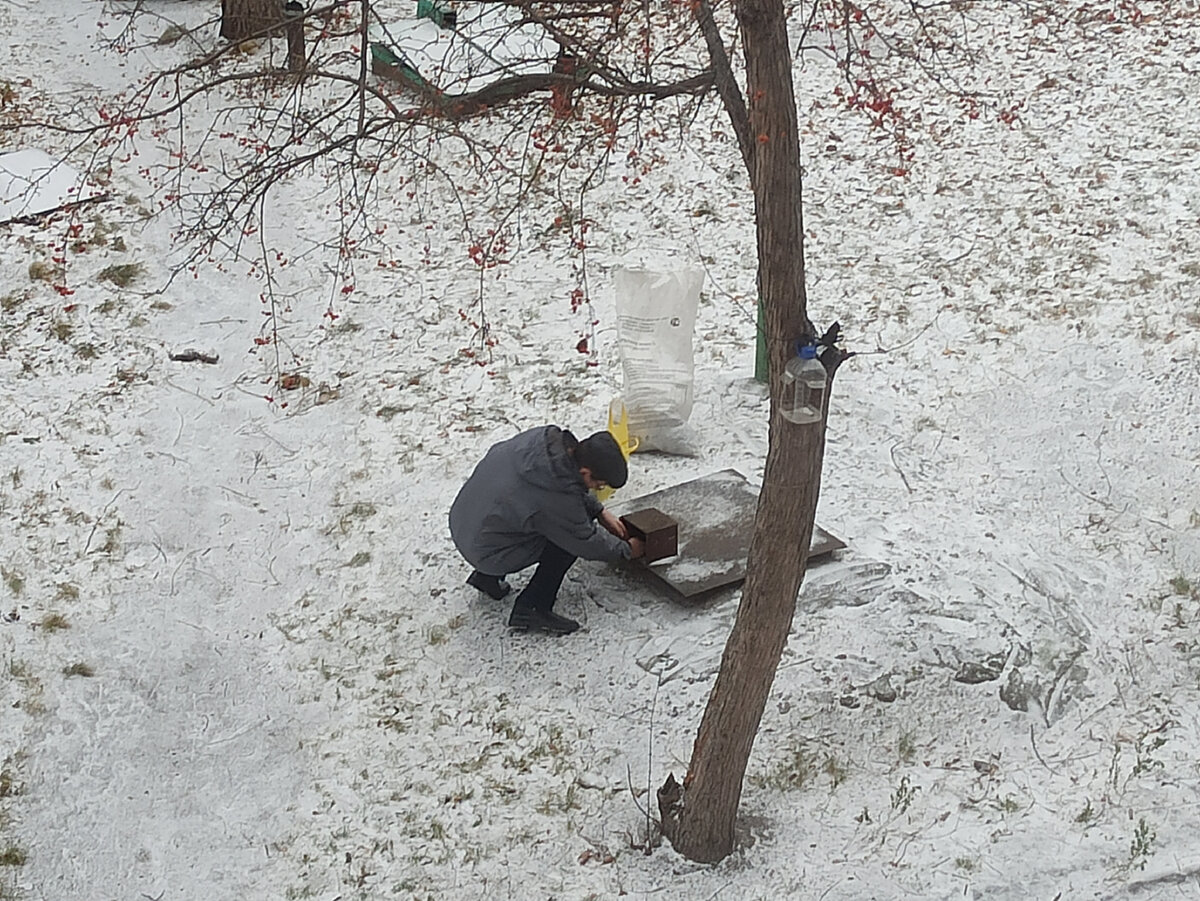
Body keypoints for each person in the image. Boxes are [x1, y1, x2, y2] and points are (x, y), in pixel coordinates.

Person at [449, 425, 644, 634]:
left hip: (466, 523)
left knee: (526, 512)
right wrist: (627, 551)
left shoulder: (543, 443)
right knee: (567, 543)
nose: (598, 489)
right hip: (486, 551)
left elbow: (563, 483)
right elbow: (585, 541)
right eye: (599, 485)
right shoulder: (557, 497)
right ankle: (532, 607)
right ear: (585, 471)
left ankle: (486, 579)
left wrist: (600, 511)